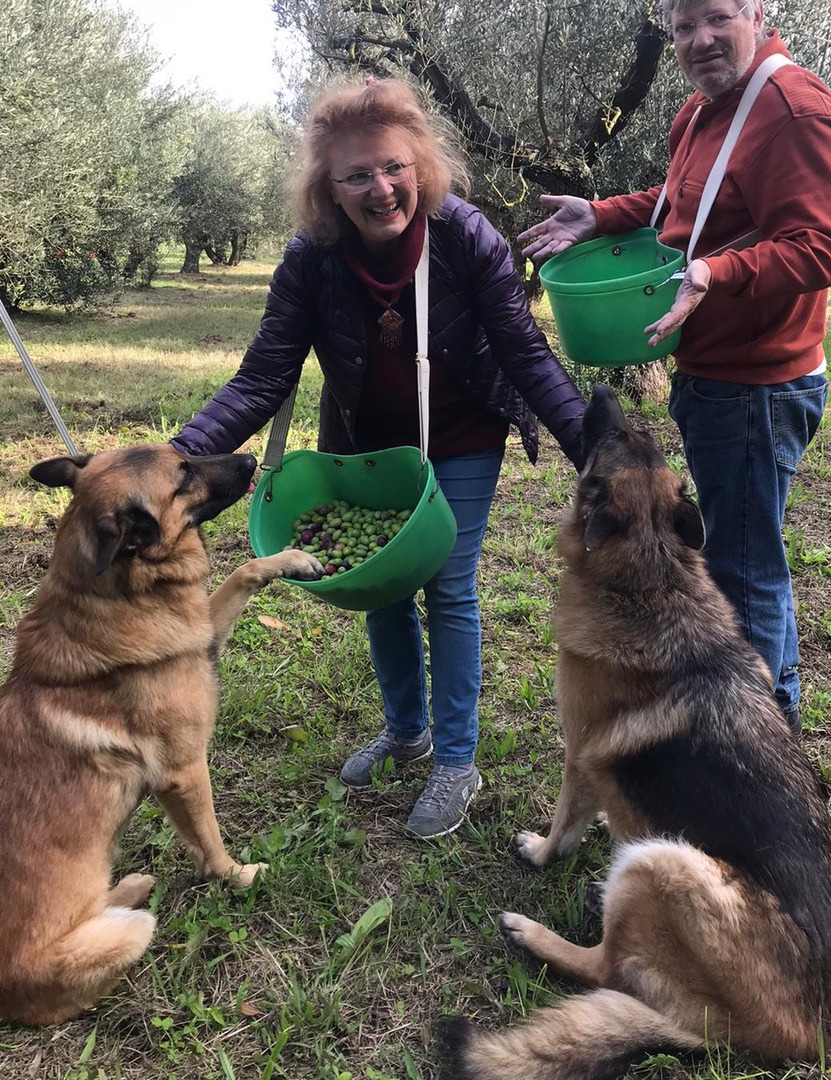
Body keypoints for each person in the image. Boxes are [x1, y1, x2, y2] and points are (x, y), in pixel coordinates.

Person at [172, 75, 585, 838]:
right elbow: (266, 374)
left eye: (394, 166)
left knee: (448, 584)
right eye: (356, 174)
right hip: (365, 444)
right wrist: (176, 457)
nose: (380, 188)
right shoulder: (312, 259)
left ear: (421, 165)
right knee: (383, 586)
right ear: (327, 188)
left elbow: (526, 354)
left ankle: (456, 759)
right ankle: (407, 729)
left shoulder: (466, 237)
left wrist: (590, 444)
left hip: (460, 434)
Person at [519, 0, 831, 733]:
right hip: (716, 376)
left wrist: (715, 274)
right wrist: (600, 214)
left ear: (756, 17)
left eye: (716, 20)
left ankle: (759, 746)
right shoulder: (705, 110)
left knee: (742, 571)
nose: (699, 40)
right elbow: (679, 199)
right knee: (750, 555)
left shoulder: (793, 112)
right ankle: (776, 713)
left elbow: (829, 246)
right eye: (682, 28)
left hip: (757, 385)